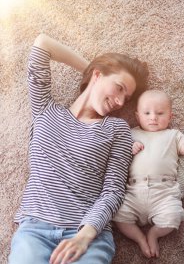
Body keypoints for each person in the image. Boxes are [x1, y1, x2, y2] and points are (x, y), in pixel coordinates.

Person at [8, 34, 148, 264]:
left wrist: (85, 236)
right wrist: (91, 68)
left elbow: (113, 191)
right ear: (98, 75)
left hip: (87, 234)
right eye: (119, 88)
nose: (121, 102)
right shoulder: (45, 109)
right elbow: (43, 43)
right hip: (35, 230)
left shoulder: (116, 129)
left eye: (127, 97)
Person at [113, 89, 184, 258]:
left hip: (163, 191)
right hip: (133, 190)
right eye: (147, 113)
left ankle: (154, 234)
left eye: (160, 113)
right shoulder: (131, 133)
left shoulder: (173, 135)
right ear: (138, 116)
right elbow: (117, 155)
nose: (153, 117)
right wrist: (129, 148)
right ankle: (139, 237)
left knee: (174, 216)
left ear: (170, 117)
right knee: (118, 215)